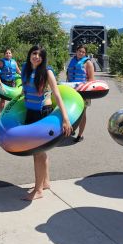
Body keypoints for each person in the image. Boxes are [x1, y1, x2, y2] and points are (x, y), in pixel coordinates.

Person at [21, 45, 72, 201]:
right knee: (41, 151)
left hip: (42, 112)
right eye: (34, 53)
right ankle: (46, 182)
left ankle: (38, 190)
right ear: (30, 55)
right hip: (30, 111)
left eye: (39, 55)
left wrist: (65, 118)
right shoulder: (25, 68)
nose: (36, 56)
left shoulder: (47, 72)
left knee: (38, 151)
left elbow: (56, 94)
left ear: (43, 58)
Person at [66, 45, 94, 143]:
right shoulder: (72, 61)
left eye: (83, 52)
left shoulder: (88, 63)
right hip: (72, 91)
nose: (81, 53)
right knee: (70, 111)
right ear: (76, 51)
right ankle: (71, 129)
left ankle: (80, 134)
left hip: (83, 92)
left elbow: (91, 79)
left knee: (82, 113)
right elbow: (68, 75)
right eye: (79, 51)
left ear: (85, 53)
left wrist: (87, 91)